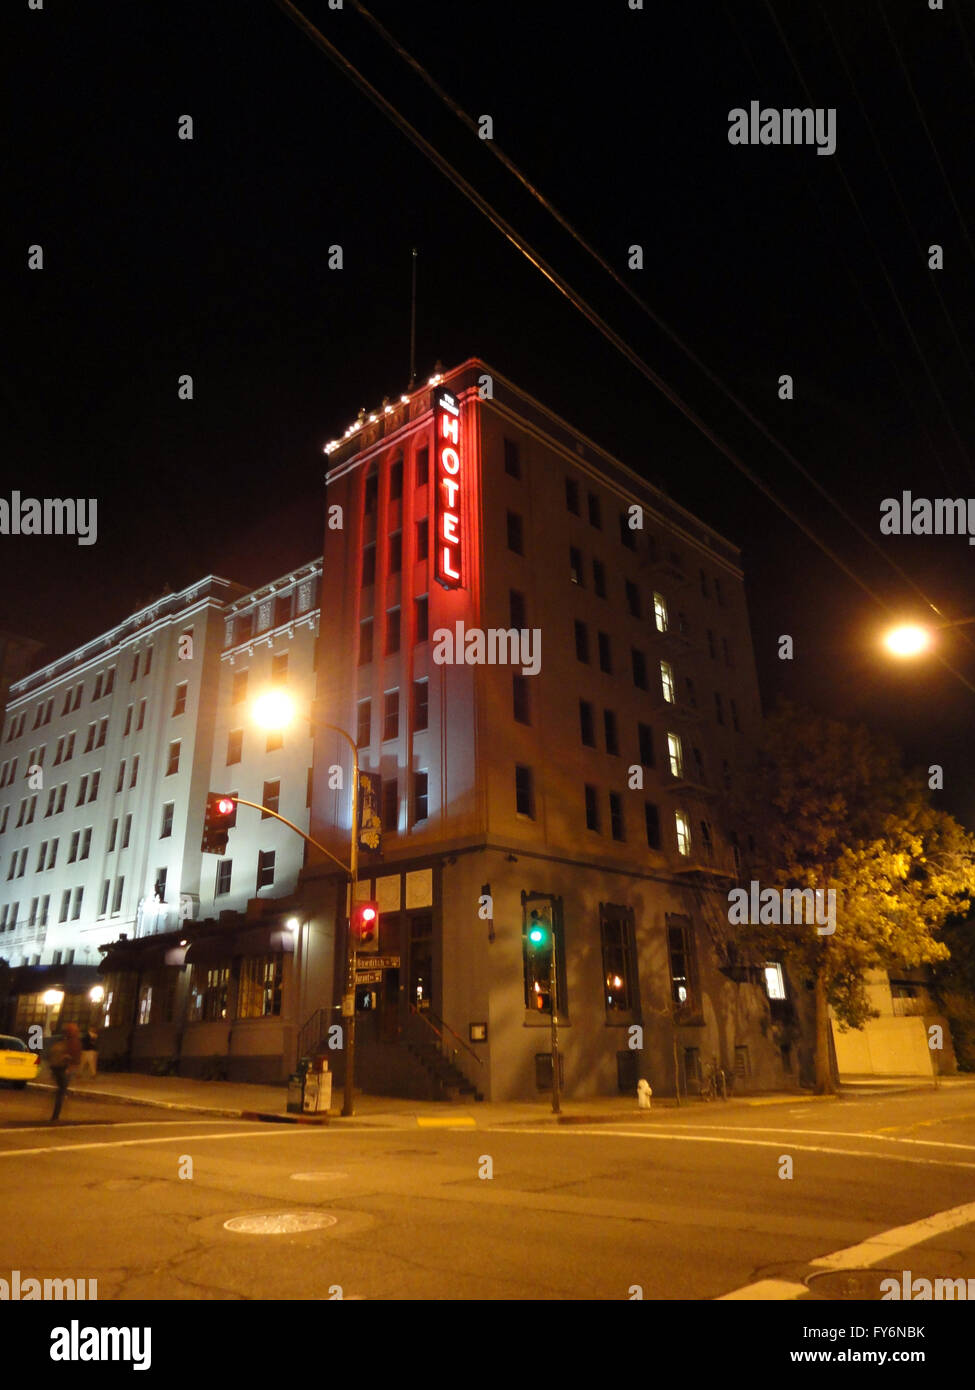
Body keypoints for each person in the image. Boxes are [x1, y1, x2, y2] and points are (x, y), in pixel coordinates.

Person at [48, 1023, 82, 1123]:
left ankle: (56, 1114)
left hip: (59, 1068)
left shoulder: (64, 1041)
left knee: (61, 1090)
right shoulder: (72, 1042)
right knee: (61, 1091)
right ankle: (55, 1115)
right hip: (64, 1069)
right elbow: (75, 1057)